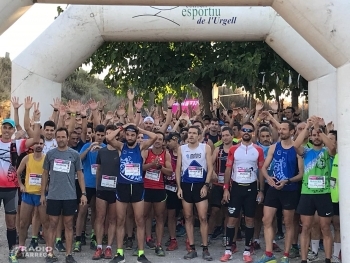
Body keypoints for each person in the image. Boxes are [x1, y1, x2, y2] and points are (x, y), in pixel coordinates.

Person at [105, 124, 157, 263]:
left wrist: (141, 130)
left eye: (132, 135)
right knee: (120, 220)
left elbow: (155, 136)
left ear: (136, 136)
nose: (130, 137)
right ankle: (120, 253)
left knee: (139, 220)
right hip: (122, 186)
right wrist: (122, 128)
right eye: (127, 135)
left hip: (137, 187)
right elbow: (108, 137)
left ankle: (141, 253)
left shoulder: (141, 147)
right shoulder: (121, 146)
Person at [254, 121, 304, 263]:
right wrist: (269, 179)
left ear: (292, 131)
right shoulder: (273, 147)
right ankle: (269, 253)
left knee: (288, 223)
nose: (281, 131)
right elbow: (263, 167)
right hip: (274, 189)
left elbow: (301, 174)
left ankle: (286, 255)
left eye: (284, 129)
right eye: (279, 129)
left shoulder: (297, 149)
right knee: (266, 219)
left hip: (290, 189)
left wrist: (287, 181)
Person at [0, 97, 41, 263]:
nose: (8, 130)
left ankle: (11, 252)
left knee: (11, 224)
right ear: (1, 128)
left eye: (10, 128)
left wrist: (35, 118)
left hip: (10, 189)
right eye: (5, 127)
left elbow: (36, 138)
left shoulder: (16, 145)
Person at [40, 127, 87, 263]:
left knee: (68, 225)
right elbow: (44, 174)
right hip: (53, 195)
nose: (61, 139)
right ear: (56, 138)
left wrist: (83, 193)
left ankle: (68, 254)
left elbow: (80, 174)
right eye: (58, 137)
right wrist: (43, 194)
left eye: (63, 137)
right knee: (52, 224)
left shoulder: (74, 154)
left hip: (70, 195)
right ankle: (50, 254)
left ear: (67, 138)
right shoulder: (50, 154)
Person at [293, 116, 336, 263]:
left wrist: (319, 129)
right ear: (310, 137)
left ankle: (328, 259)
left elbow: (333, 148)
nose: (316, 137)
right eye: (314, 135)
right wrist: (307, 127)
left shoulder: (327, 152)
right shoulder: (306, 151)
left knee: (325, 228)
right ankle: (304, 259)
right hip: (307, 194)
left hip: (324, 194)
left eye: (318, 135)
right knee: (306, 227)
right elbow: (295, 145)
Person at [221, 122, 265, 263]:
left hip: (251, 188)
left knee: (250, 220)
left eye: (249, 130)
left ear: (253, 132)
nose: (246, 132)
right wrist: (226, 188)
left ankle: (247, 250)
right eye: (244, 130)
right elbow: (228, 170)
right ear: (240, 132)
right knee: (232, 219)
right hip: (236, 188)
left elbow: (261, 172)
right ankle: (228, 250)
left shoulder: (258, 150)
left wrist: (261, 191)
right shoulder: (234, 149)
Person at [176, 126, 213, 261]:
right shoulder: (181, 149)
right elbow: (178, 169)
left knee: (203, 217)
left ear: (199, 135)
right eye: (189, 133)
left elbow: (210, 168)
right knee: (188, 217)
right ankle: (191, 248)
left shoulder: (205, 148)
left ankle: (205, 248)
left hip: (200, 185)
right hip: (186, 185)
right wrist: (179, 187)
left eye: (194, 133)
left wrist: (206, 185)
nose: (191, 135)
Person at [74, 124, 106, 252]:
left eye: (102, 135)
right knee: (82, 212)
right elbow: (78, 160)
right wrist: (89, 149)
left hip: (99, 185)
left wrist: (101, 151)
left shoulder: (105, 148)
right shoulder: (86, 146)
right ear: (93, 134)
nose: (99, 137)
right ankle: (78, 238)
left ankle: (94, 236)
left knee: (96, 213)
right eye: (97, 135)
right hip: (86, 185)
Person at [16, 135, 49, 258]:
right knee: (23, 223)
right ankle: (21, 249)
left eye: (41, 143)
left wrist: (46, 189)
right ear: (32, 145)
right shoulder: (27, 158)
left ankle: (48, 251)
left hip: (41, 196)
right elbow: (17, 173)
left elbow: (51, 176)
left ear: (44, 145)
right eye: (37, 143)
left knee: (46, 224)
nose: (39, 145)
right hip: (28, 195)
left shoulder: (47, 159)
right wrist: (21, 185)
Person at [142, 131, 173, 256]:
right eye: (156, 139)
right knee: (144, 216)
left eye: (160, 139)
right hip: (146, 188)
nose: (158, 141)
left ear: (164, 142)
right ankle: (148, 239)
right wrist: (152, 164)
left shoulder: (166, 154)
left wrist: (160, 167)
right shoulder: (146, 152)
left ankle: (159, 245)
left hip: (159, 188)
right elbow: (141, 167)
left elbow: (170, 172)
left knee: (159, 217)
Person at [92, 125, 119, 260]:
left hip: (115, 190)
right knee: (100, 218)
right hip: (102, 189)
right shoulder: (101, 151)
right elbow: (98, 169)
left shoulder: (120, 151)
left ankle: (109, 248)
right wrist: (97, 187)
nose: (108, 136)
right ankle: (99, 247)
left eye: (111, 133)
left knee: (113, 219)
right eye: (106, 133)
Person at [164, 132, 182, 251]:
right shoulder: (167, 153)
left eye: (169, 141)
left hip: (183, 187)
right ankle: (173, 239)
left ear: (175, 139)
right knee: (171, 215)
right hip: (169, 187)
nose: (167, 144)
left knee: (187, 214)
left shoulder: (184, 151)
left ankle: (188, 241)